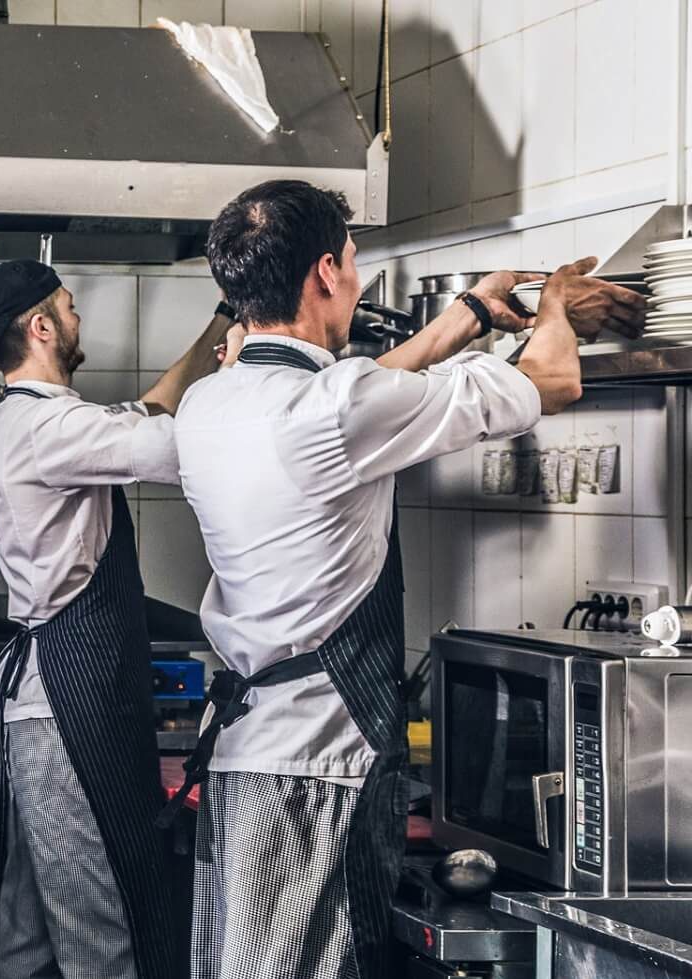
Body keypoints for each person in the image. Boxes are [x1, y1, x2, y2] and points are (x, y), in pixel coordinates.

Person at [171, 179, 644, 979]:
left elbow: (353, 399)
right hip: (321, 766)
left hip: (252, 755)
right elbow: (553, 382)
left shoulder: (210, 404)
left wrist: (470, 314)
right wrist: (558, 304)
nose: (352, 279)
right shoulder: (332, 408)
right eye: (352, 262)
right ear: (326, 272)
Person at [0, 260, 236, 979]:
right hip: (66, 709)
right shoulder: (49, 427)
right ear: (42, 326)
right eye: (70, 308)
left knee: (30, 930)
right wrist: (256, 377)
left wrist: (224, 321)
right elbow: (177, 447)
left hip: (51, 702)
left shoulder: (43, 420)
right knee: (99, 930)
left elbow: (153, 410)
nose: (80, 319)